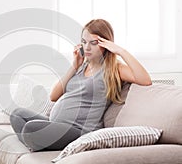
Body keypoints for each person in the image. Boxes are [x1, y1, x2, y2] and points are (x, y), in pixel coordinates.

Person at [10, 19, 152, 152]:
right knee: (17, 115)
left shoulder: (113, 68)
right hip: (55, 125)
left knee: (30, 128)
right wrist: (74, 65)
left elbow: (145, 80)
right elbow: (53, 96)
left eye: (93, 43)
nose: (87, 47)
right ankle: (36, 142)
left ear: (105, 44)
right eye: (84, 42)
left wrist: (120, 51)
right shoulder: (81, 66)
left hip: (78, 131)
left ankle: (35, 141)